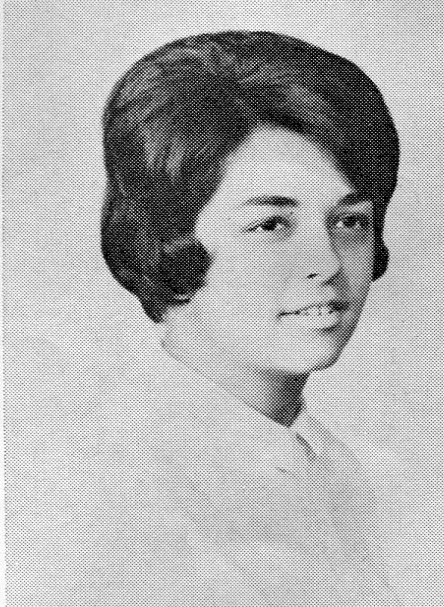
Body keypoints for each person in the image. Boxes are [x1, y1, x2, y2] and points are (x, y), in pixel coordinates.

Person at [98, 30, 401, 606]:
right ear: (166, 238)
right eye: (271, 225)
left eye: (350, 222)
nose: (327, 263)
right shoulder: (117, 492)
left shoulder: (342, 475)